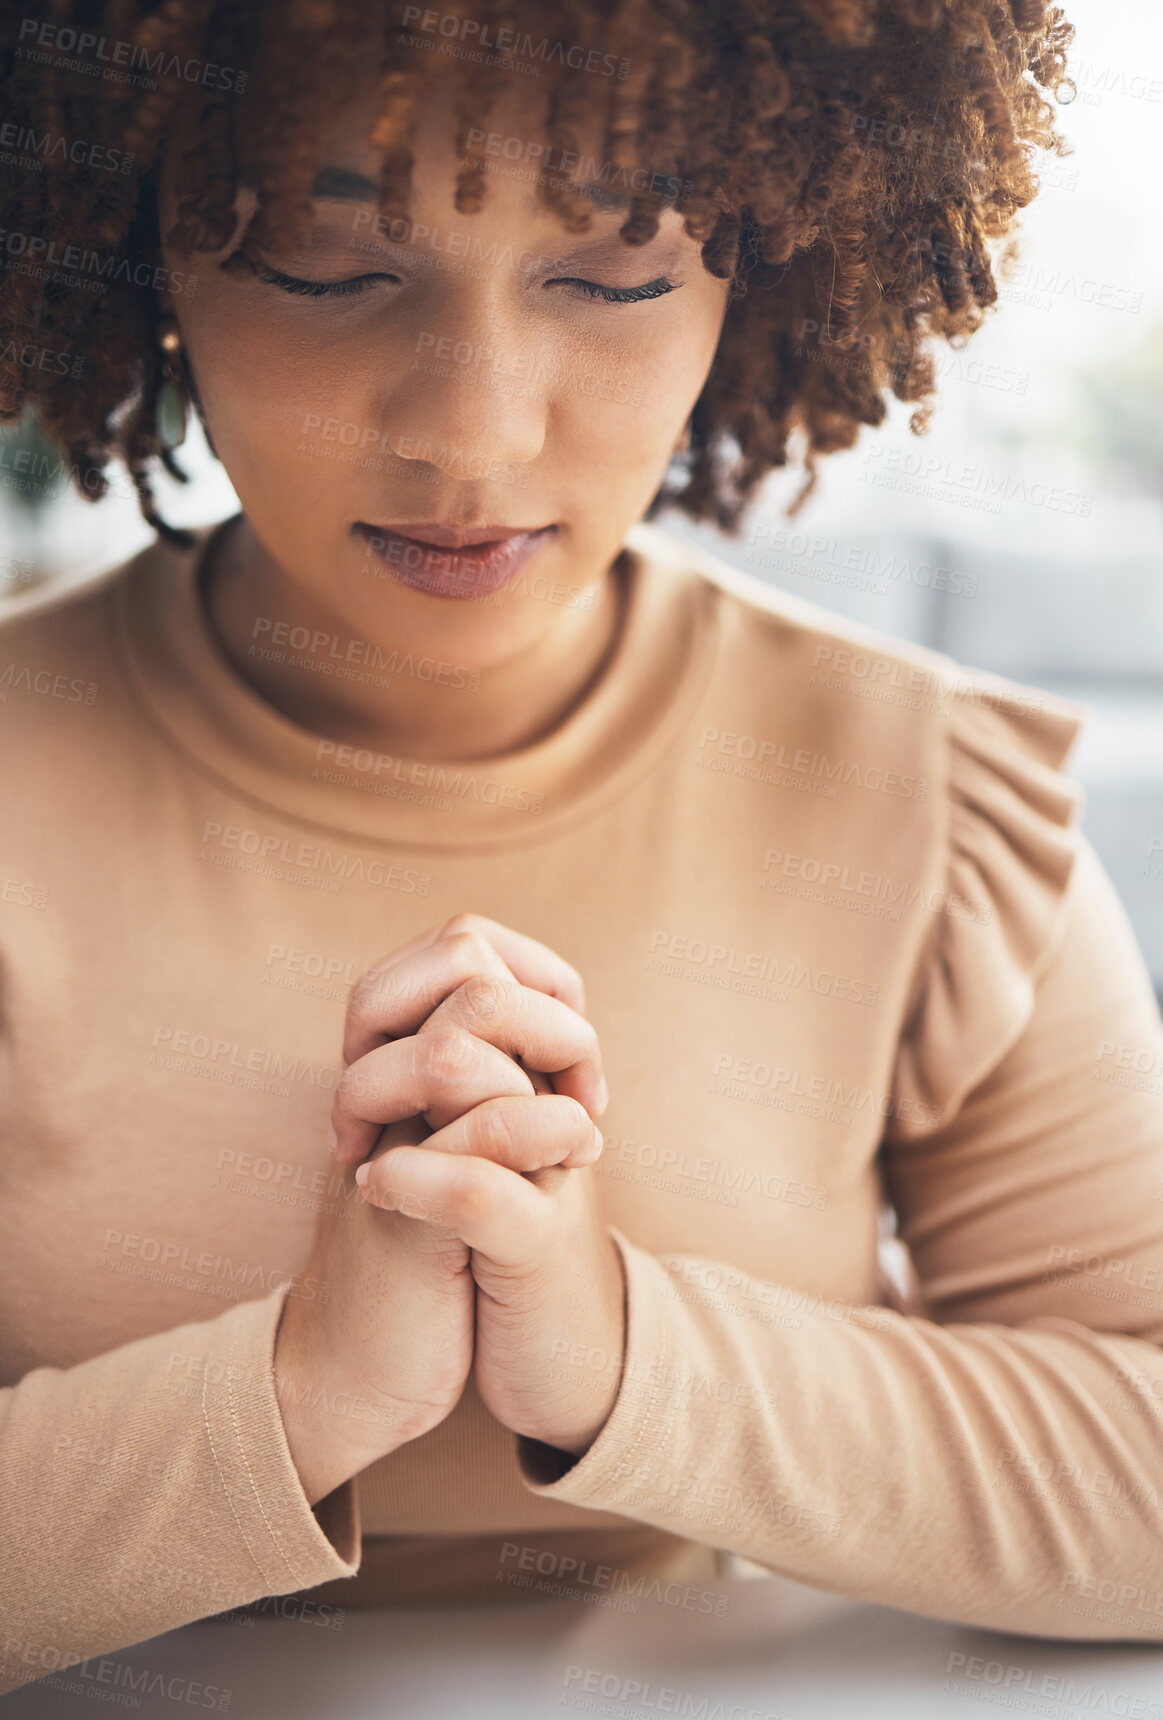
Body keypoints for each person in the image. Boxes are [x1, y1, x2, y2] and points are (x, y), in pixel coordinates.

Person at [4, 0, 1163, 1697]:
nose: (474, 440)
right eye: (329, 272)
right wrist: (303, 1391)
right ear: (136, 263)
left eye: (616, 277)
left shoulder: (927, 798)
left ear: (763, 272)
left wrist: (622, 1355)